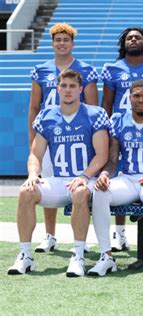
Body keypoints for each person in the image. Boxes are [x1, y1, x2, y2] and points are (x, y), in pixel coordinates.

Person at [8, 69, 109, 277]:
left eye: (73, 86)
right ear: (57, 88)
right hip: (59, 180)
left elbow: (102, 155)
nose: (68, 90)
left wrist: (83, 176)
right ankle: (25, 255)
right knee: (26, 192)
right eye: (64, 86)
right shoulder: (47, 115)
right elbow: (36, 154)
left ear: (81, 89)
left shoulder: (94, 114)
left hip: (86, 179)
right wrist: (33, 174)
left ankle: (78, 255)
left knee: (80, 192)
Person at [89, 80, 143, 277]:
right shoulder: (118, 121)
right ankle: (106, 256)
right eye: (136, 96)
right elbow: (112, 160)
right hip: (128, 179)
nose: (140, 100)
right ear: (129, 98)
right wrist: (103, 174)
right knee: (100, 191)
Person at [28, 23, 99, 253]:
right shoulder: (41, 69)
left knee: (82, 185)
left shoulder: (85, 69)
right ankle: (50, 234)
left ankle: (82, 238)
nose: (61, 43)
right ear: (52, 43)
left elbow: (92, 106)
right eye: (57, 40)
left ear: (72, 44)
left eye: (65, 40)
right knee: (48, 182)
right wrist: (33, 138)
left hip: (77, 134)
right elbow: (34, 106)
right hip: (49, 134)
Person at [101, 27, 143, 251]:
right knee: (117, 174)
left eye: (137, 37)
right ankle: (119, 234)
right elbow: (107, 104)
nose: (133, 40)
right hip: (121, 129)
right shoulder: (112, 68)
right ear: (124, 42)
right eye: (129, 37)